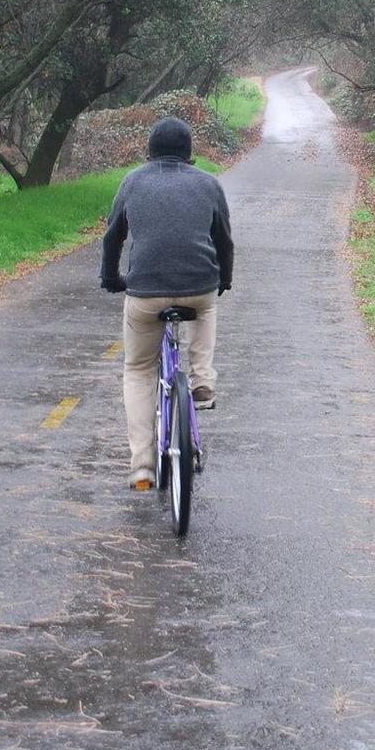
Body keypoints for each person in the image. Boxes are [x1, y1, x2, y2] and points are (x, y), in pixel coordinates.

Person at [100, 116, 233, 490]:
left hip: (145, 293)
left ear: (150, 150)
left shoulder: (133, 181)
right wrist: (224, 279)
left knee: (139, 369)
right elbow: (224, 241)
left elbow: (113, 238)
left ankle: (142, 464)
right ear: (190, 153)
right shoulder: (208, 183)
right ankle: (202, 381)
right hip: (198, 287)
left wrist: (111, 279)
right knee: (206, 308)